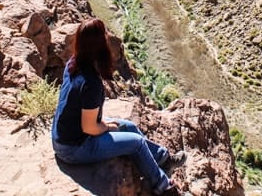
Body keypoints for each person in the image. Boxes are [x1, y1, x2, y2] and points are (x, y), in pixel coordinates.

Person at [51, 18, 185, 196]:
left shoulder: (73, 63)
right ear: (98, 46)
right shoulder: (90, 83)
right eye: (105, 36)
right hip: (73, 148)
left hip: (67, 135)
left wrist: (108, 125)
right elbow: (89, 127)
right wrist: (107, 126)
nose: (108, 37)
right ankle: (164, 187)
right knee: (136, 144)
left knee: (128, 126)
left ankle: (163, 158)